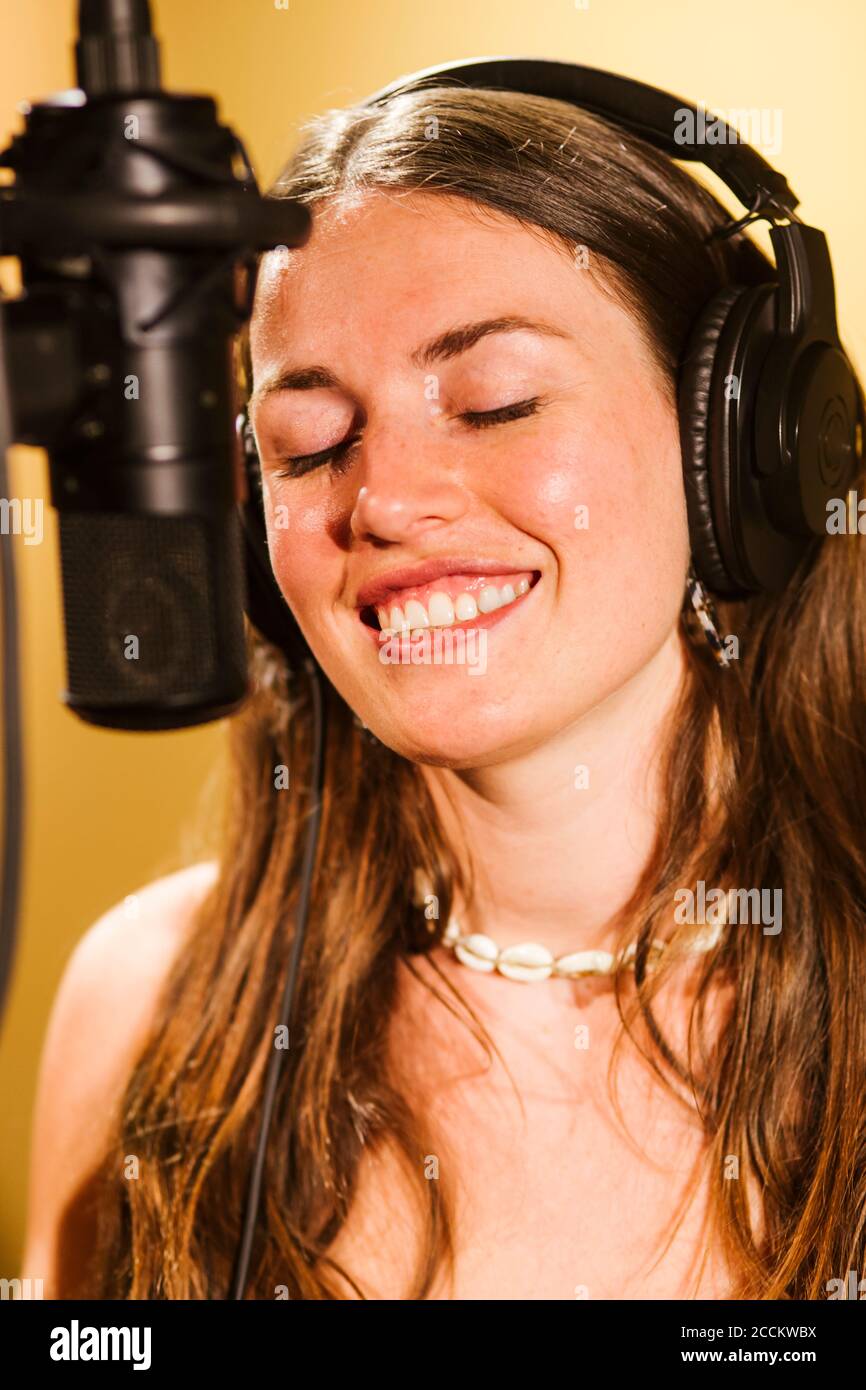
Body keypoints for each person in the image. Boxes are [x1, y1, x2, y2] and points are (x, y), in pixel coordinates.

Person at [22, 82, 866, 1300]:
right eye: (307, 443)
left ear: (739, 449)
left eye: (496, 403)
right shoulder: (149, 994)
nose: (385, 501)